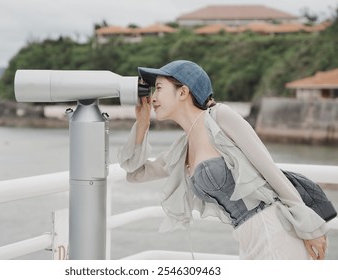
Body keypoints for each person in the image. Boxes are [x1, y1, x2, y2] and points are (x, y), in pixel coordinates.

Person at [117, 60, 329, 260]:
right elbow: (135, 173)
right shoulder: (182, 148)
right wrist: (142, 124)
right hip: (247, 238)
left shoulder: (220, 117)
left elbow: (270, 170)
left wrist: (309, 226)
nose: (152, 98)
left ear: (183, 92)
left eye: (159, 88)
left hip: (274, 230)